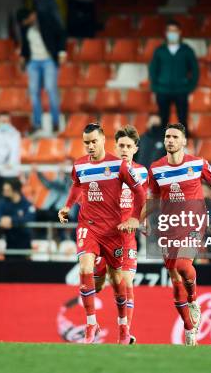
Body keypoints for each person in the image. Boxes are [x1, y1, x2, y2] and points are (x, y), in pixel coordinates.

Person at [57, 123, 146, 344]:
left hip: (118, 232)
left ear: (103, 140)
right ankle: (90, 323)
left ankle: (124, 328)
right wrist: (68, 206)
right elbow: (77, 186)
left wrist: (138, 218)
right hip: (89, 226)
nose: (89, 146)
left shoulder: (124, 168)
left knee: (120, 282)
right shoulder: (79, 165)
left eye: (93, 141)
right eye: (86, 142)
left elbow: (142, 192)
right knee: (85, 268)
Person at [148, 123, 211, 346]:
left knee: (183, 266)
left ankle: (194, 300)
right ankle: (189, 328)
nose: (170, 140)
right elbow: (153, 199)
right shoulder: (156, 168)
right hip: (168, 226)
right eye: (167, 136)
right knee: (175, 281)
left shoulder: (198, 163)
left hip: (193, 223)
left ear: (184, 141)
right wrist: (140, 217)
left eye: (175, 137)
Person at [93, 126, 149, 344]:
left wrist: (141, 220)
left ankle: (124, 332)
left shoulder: (143, 173)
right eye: (121, 145)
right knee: (97, 285)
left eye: (128, 146)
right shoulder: (104, 169)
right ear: (114, 147)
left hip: (126, 238)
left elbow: (147, 201)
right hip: (102, 237)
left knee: (126, 283)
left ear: (135, 148)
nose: (124, 149)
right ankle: (99, 273)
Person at [17, 8, 66, 134]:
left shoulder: (47, 19)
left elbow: (60, 34)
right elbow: (25, 44)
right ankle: (37, 123)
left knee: (50, 89)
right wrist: (23, 57)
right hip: (33, 62)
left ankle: (55, 121)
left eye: (27, 20)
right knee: (33, 92)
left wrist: (61, 52)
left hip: (48, 60)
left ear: (32, 15)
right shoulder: (26, 27)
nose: (26, 23)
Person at [149, 20, 199, 136]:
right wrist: (156, 87)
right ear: (166, 33)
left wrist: (190, 86)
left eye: (174, 31)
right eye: (170, 31)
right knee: (163, 121)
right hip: (162, 91)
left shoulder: (187, 50)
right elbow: (153, 70)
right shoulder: (160, 50)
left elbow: (195, 70)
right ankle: (162, 147)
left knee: (183, 120)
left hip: (181, 90)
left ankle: (184, 146)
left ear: (180, 32)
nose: (172, 33)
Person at [0, 179, 36, 260]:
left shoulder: (26, 203)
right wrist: (1, 219)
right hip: (10, 242)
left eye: (7, 190)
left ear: (15, 190)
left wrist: (11, 220)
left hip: (24, 243)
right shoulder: (3, 202)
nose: (4, 192)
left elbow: (29, 217)